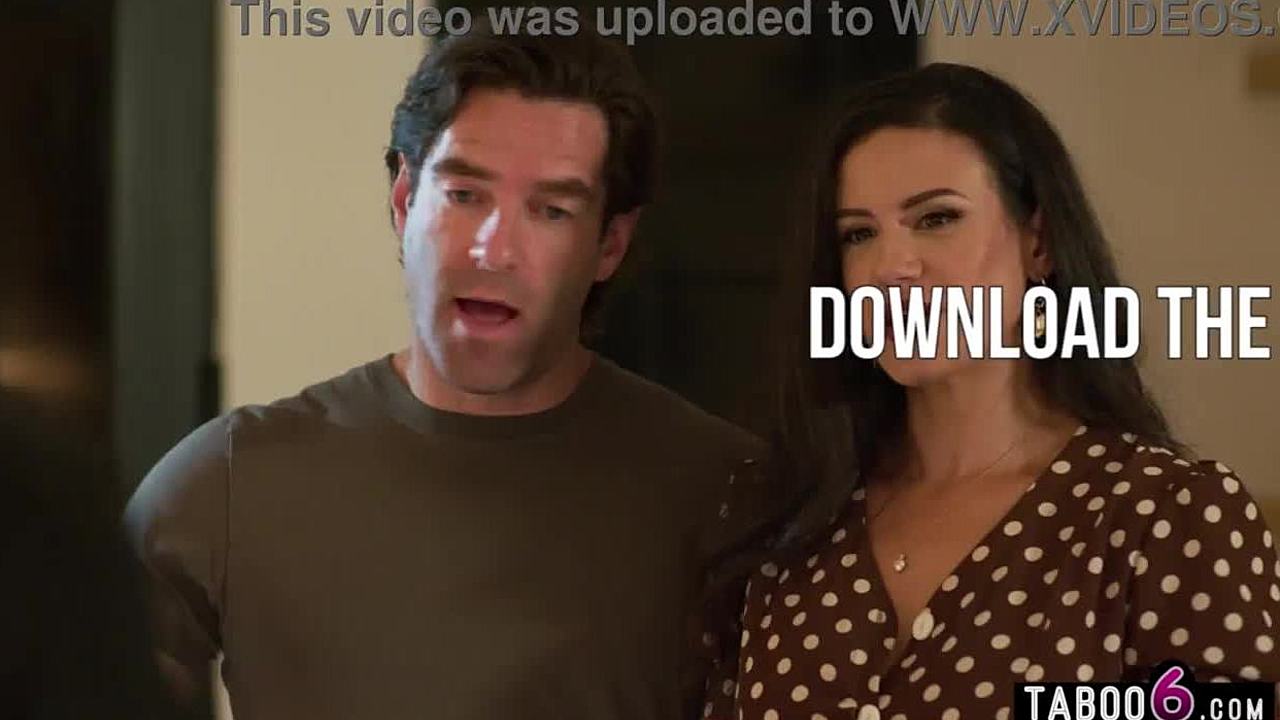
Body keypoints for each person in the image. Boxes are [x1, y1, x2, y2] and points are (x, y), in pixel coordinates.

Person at [125, 27, 777, 720]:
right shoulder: (232, 482)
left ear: (609, 244)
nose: (494, 249)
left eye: (551, 210)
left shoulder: (727, 495)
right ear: (405, 199)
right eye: (465, 195)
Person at [704, 63, 1280, 720]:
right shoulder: (783, 513)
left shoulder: (1165, 515)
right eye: (859, 234)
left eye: (936, 218)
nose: (891, 267)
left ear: (1039, 244)